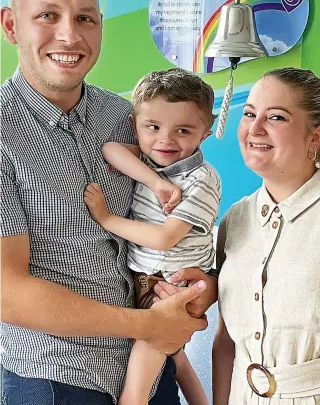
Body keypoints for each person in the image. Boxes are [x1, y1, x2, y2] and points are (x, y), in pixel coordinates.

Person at [0, 0, 218, 404]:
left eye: (85, 18)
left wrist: (204, 285)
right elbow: (6, 290)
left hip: (151, 365)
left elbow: (184, 211)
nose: (69, 35)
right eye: (47, 15)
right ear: (10, 24)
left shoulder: (127, 118)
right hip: (56, 377)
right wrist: (145, 326)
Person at [84, 68, 221, 405]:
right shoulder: (152, 162)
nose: (166, 140)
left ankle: (133, 400)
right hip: (148, 277)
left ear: (205, 132)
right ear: (136, 125)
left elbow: (164, 239)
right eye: (153, 127)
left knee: (152, 345)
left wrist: (106, 218)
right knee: (176, 357)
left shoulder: (201, 180)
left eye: (183, 130)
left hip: (175, 283)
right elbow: (111, 149)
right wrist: (157, 183)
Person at [213, 67, 320, 404]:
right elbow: (227, 342)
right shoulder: (235, 219)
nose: (255, 129)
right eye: (249, 113)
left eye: (276, 118)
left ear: (315, 137)